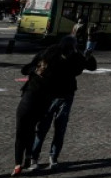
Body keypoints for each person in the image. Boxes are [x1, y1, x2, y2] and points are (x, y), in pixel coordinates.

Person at [28, 35, 97, 170]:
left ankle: (52, 158)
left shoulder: (75, 56)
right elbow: (36, 66)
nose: (71, 51)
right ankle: (34, 158)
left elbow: (91, 66)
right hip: (50, 95)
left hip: (65, 96)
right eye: (70, 48)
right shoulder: (52, 54)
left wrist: (88, 56)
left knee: (59, 128)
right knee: (43, 128)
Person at [12, 46, 57, 176]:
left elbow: (24, 70)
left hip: (27, 104)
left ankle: (17, 164)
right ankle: (28, 157)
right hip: (41, 106)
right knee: (31, 131)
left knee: (20, 134)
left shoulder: (34, 72)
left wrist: (34, 68)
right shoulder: (52, 76)